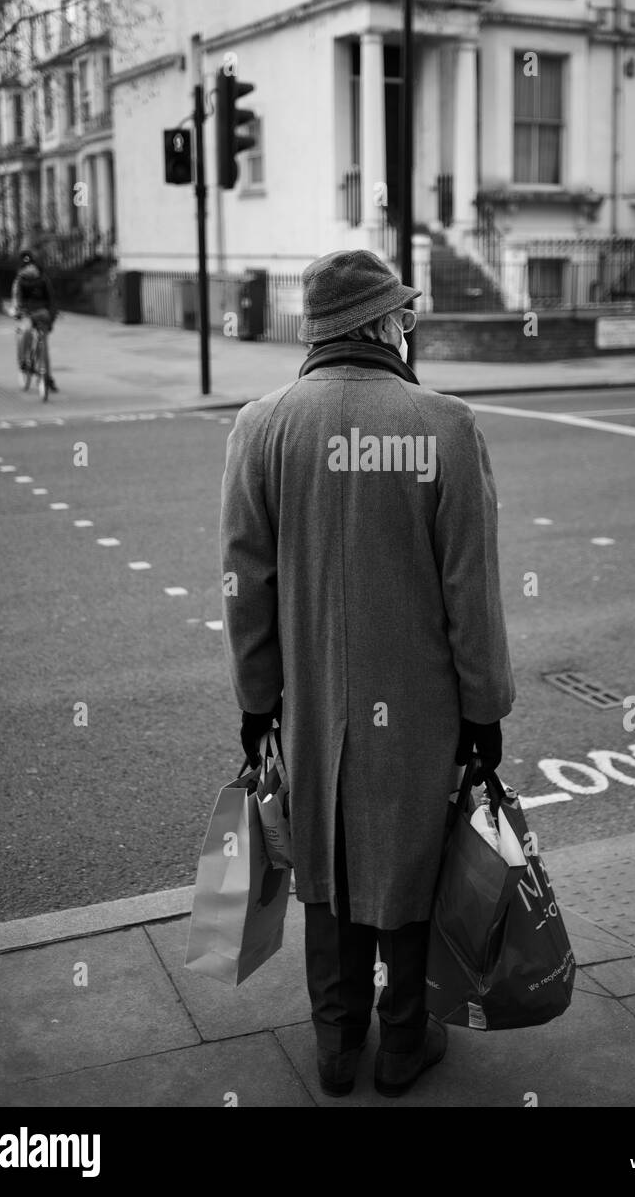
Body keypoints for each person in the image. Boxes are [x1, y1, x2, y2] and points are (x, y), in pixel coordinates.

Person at [220, 250, 515, 1099]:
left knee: (329, 860)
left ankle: (336, 1042)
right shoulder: (445, 426)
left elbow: (246, 587)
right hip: (421, 705)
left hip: (310, 702)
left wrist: (256, 702)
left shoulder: (261, 426)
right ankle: (402, 1043)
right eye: (404, 316)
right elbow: (472, 593)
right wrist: (485, 708)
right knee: (412, 859)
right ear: (383, 325)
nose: (407, 328)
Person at [10, 250, 58, 393]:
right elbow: (17, 299)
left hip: (39, 314)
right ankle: (28, 364)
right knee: (27, 332)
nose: (30, 268)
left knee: (40, 342)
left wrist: (51, 318)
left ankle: (44, 376)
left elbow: (51, 300)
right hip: (32, 314)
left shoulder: (41, 279)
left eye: (31, 265)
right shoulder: (21, 281)